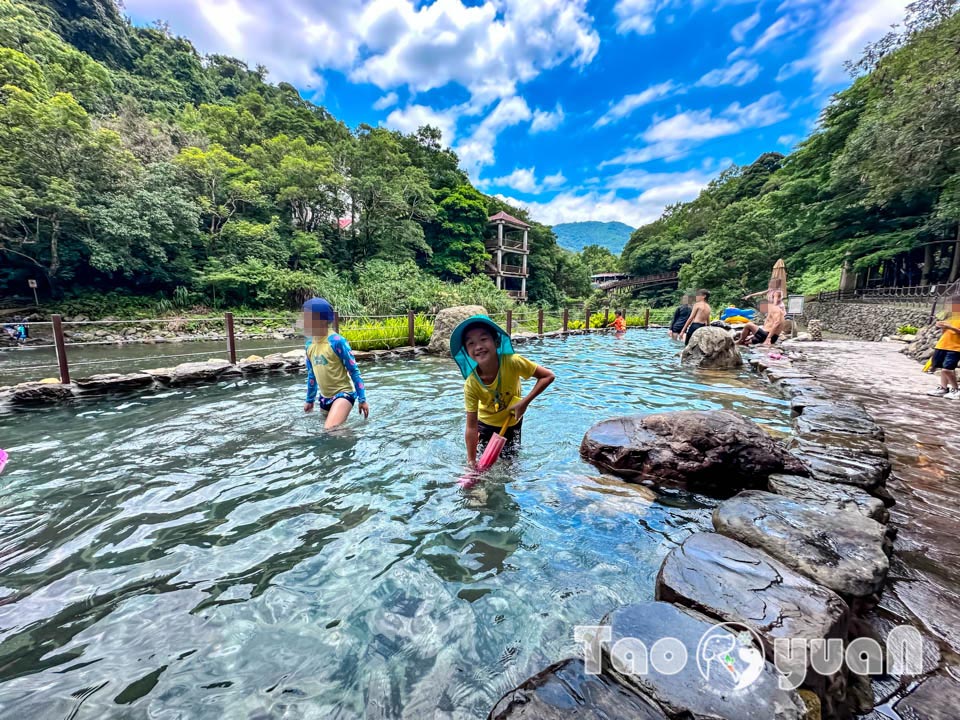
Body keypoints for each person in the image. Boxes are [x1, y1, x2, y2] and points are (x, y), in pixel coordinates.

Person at [450, 315, 555, 467]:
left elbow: (547, 376)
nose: (478, 346)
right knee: (484, 467)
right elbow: (471, 426)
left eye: (483, 339)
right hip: (485, 425)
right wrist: (471, 461)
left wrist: (524, 403)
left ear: (497, 342)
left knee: (510, 463)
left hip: (513, 422)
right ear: (467, 352)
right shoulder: (471, 384)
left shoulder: (513, 362)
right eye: (471, 343)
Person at [301, 297, 370, 428]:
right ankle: (349, 435)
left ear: (322, 320)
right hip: (324, 398)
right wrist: (309, 400)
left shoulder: (337, 341)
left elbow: (354, 371)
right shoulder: (309, 345)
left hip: (343, 394)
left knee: (329, 429)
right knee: (335, 431)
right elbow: (312, 375)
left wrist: (362, 399)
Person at [927, 296, 960, 399]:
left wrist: (950, 327)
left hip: (955, 347)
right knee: (942, 368)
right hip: (943, 344)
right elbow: (944, 330)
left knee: (947, 369)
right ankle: (943, 388)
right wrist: (940, 325)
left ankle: (956, 390)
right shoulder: (949, 316)